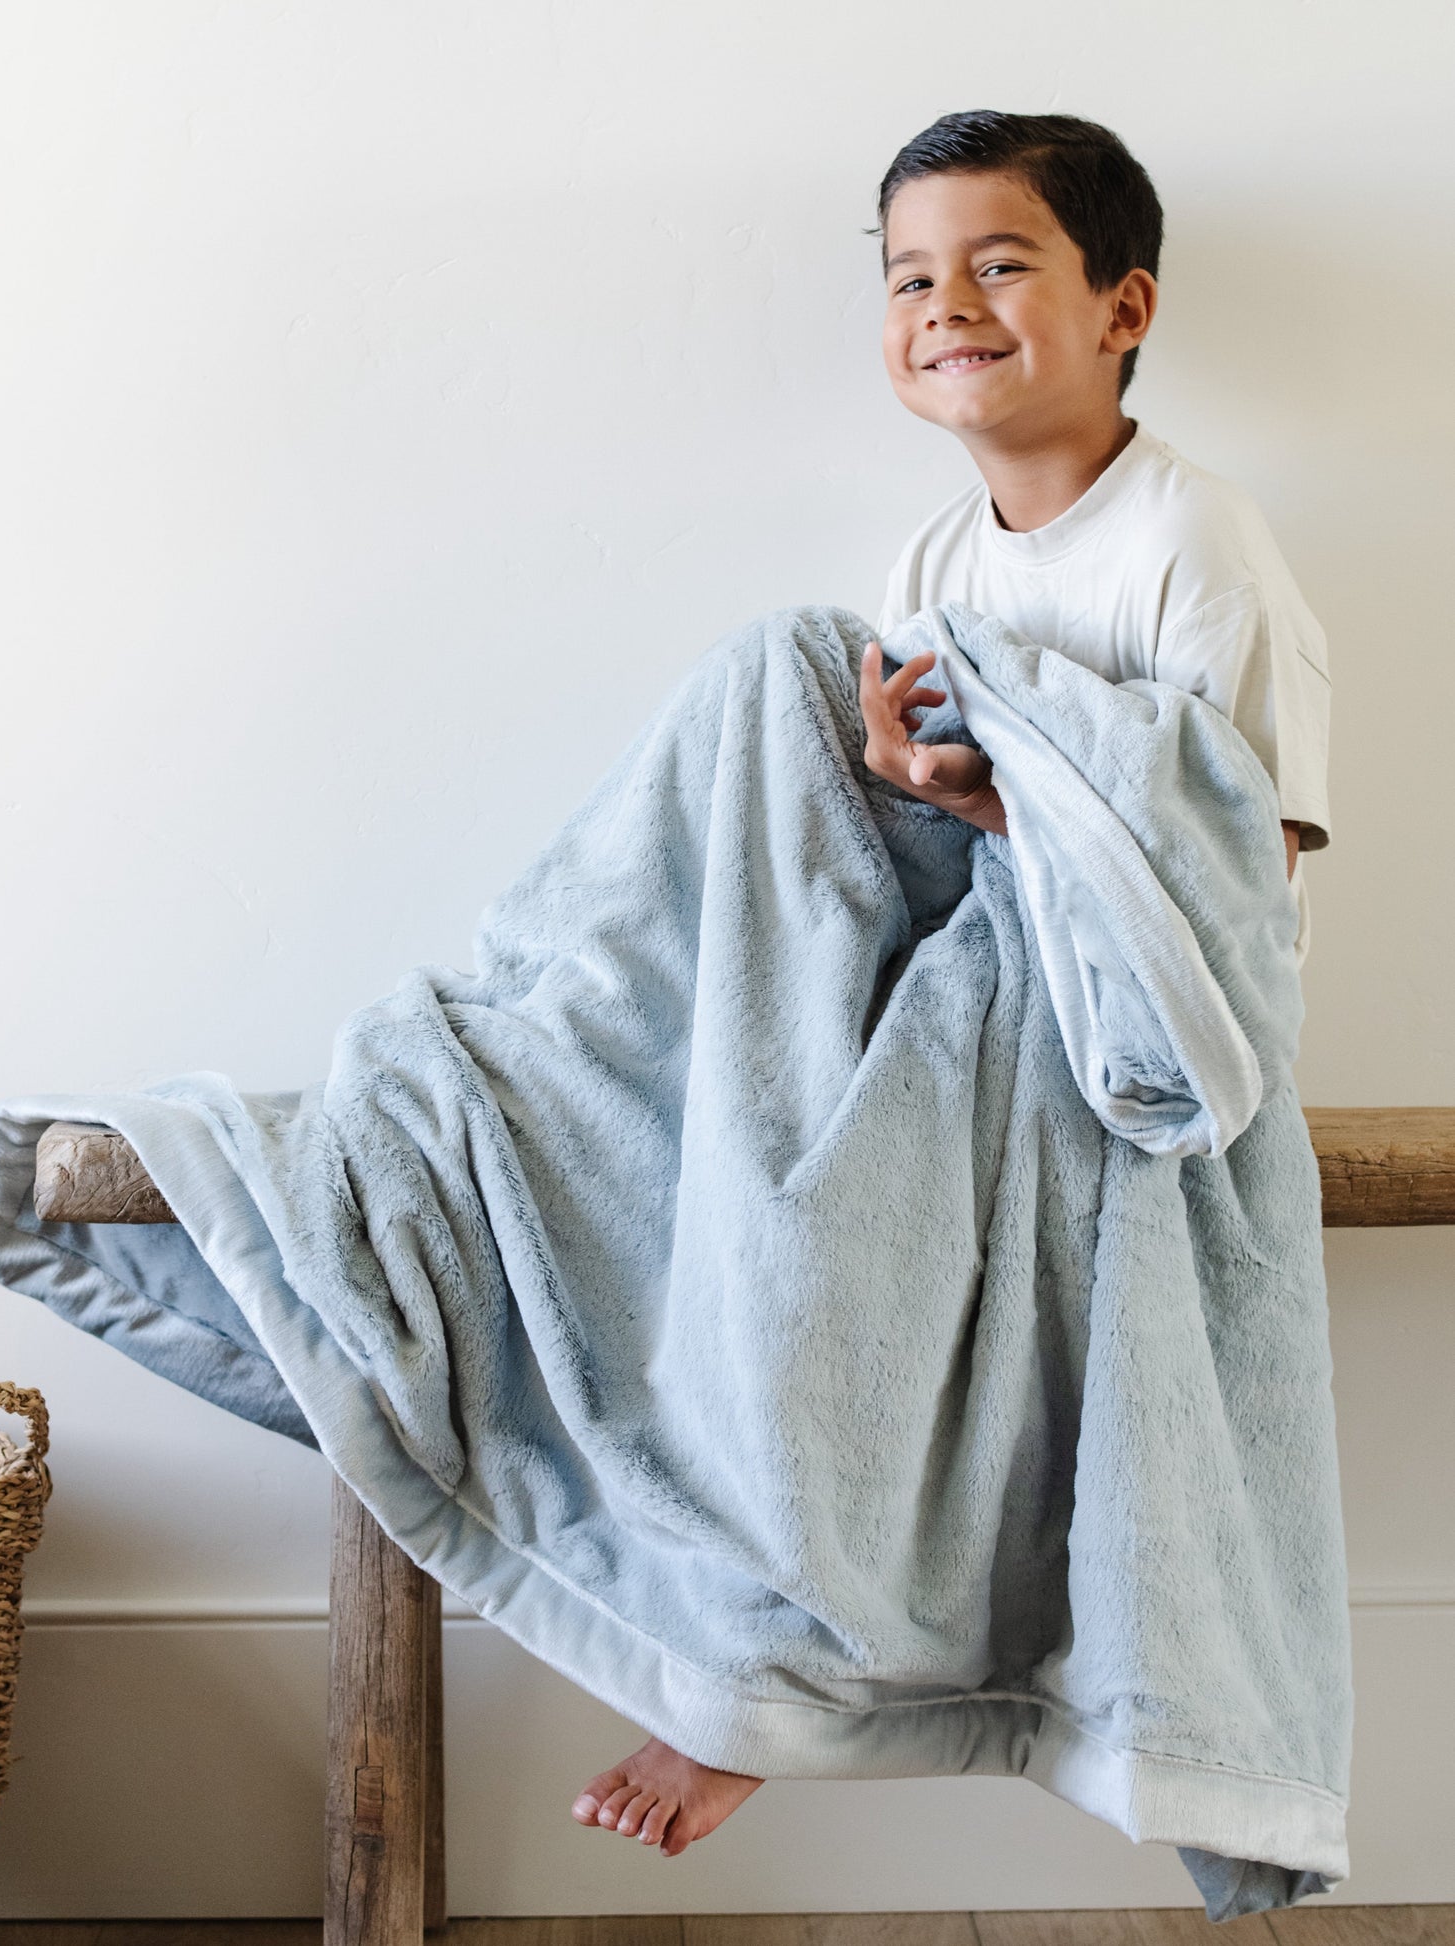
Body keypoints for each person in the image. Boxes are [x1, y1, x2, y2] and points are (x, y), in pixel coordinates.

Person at [570, 108, 1334, 1857]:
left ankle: (779, 1674)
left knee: (839, 1249)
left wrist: (1021, 799)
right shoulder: (933, 564)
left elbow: (1234, 857)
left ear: (1121, 305)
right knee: (772, 690)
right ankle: (561, 1044)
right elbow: (923, 809)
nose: (947, 304)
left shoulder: (1195, 548)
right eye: (911, 274)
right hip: (964, 975)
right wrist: (933, 797)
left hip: (1136, 1026)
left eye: (1001, 264)